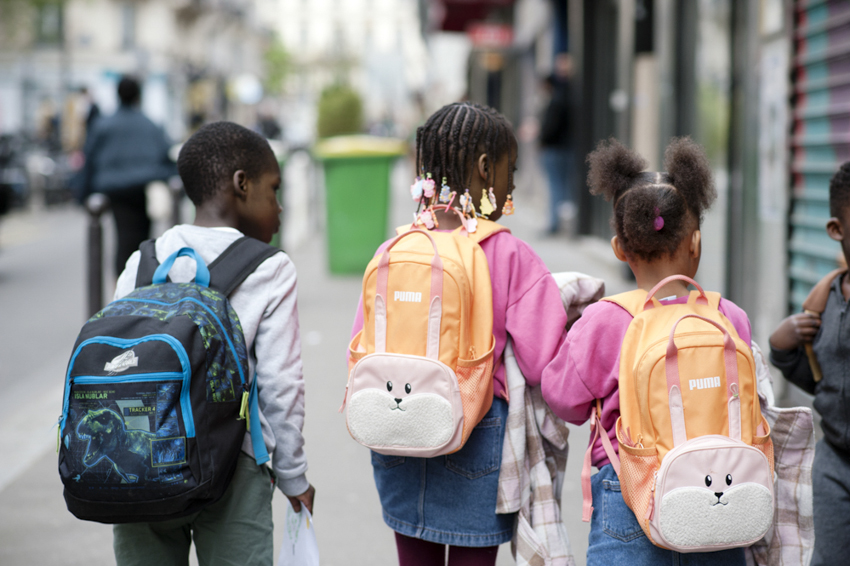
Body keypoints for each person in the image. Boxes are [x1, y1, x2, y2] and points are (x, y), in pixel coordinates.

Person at [349, 101, 568, 566]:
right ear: (487, 169)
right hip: (474, 435)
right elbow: (541, 361)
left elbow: (362, 342)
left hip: (394, 430)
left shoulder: (394, 248)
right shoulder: (508, 253)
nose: (511, 185)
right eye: (510, 171)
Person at [110, 121, 314, 566]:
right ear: (242, 185)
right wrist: (293, 477)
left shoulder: (143, 259)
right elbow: (282, 386)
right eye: (273, 190)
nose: (279, 208)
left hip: (139, 456)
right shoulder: (269, 268)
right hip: (233, 464)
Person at [541, 138, 752, 565]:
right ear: (694, 242)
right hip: (721, 490)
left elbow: (562, 398)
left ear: (620, 249)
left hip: (629, 493)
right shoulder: (728, 316)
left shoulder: (607, 320)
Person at [768, 161, 850, 566]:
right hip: (834, 459)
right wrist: (782, 351)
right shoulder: (826, 303)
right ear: (837, 230)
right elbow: (824, 381)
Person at [80, 75, 175, 275]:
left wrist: (83, 192)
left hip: (115, 189)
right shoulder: (150, 124)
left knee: (123, 238)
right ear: (138, 96)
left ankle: (123, 285)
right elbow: (166, 156)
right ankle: (140, 283)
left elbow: (89, 158)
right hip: (144, 187)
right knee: (144, 239)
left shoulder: (104, 125)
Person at [539, 53, 575, 235]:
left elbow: (551, 127)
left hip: (556, 149)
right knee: (564, 187)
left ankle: (556, 224)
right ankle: (562, 223)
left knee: (557, 187)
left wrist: (541, 138)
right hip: (566, 148)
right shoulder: (571, 93)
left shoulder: (559, 97)